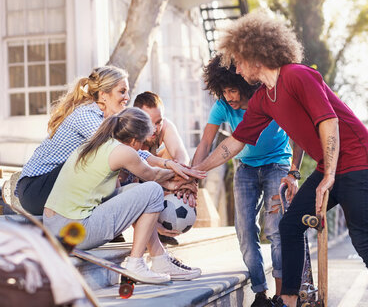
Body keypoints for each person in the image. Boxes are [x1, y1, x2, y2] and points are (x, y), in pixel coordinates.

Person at [194, 12, 368, 307]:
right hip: (330, 165)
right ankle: (288, 299)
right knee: (290, 226)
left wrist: (327, 177)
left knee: (363, 240)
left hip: (356, 158)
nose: (236, 68)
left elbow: (328, 122)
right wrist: (196, 169)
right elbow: (234, 143)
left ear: (255, 56)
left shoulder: (298, 75)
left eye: (238, 60)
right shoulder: (263, 98)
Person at [43, 107, 202, 281]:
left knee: (138, 191)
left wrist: (174, 181)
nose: (141, 147)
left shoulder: (98, 144)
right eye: (142, 143)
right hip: (73, 230)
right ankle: (136, 263)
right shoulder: (123, 152)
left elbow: (128, 193)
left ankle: (160, 259)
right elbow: (153, 176)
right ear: (134, 140)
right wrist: (181, 172)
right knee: (152, 190)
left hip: (55, 226)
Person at [192, 55, 298, 307]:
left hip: (277, 165)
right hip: (246, 169)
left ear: (245, 84)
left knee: (276, 229)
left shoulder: (266, 98)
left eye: (233, 89)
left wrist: (293, 172)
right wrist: (193, 174)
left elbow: (296, 133)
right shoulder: (222, 106)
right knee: (245, 231)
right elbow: (206, 142)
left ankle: (280, 297)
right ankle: (260, 293)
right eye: (224, 91)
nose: (229, 96)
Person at [16, 66, 134, 215]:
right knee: (99, 157)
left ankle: (110, 217)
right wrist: (161, 166)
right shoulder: (87, 115)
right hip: (35, 191)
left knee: (106, 159)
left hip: (50, 188)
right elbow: (115, 151)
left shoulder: (104, 120)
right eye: (122, 91)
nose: (127, 97)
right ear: (104, 95)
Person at [134, 91, 196, 246]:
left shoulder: (165, 127)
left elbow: (182, 157)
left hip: (156, 175)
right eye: (149, 122)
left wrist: (182, 182)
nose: (155, 129)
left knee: (178, 165)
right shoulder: (128, 133)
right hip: (131, 180)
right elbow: (127, 186)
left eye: (158, 122)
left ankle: (166, 222)